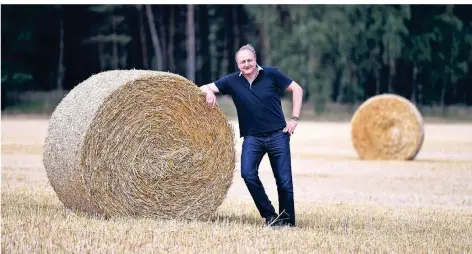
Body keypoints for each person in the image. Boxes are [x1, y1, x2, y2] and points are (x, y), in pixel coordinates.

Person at [199, 44, 303, 227]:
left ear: (255, 60)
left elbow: (297, 89)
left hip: (278, 135)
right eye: (242, 62)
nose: (246, 64)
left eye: (249, 60)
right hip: (252, 138)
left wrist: (294, 118)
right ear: (237, 64)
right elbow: (202, 87)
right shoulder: (231, 81)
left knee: (284, 182)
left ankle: (286, 222)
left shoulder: (271, 74)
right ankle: (270, 215)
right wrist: (208, 92)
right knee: (247, 174)